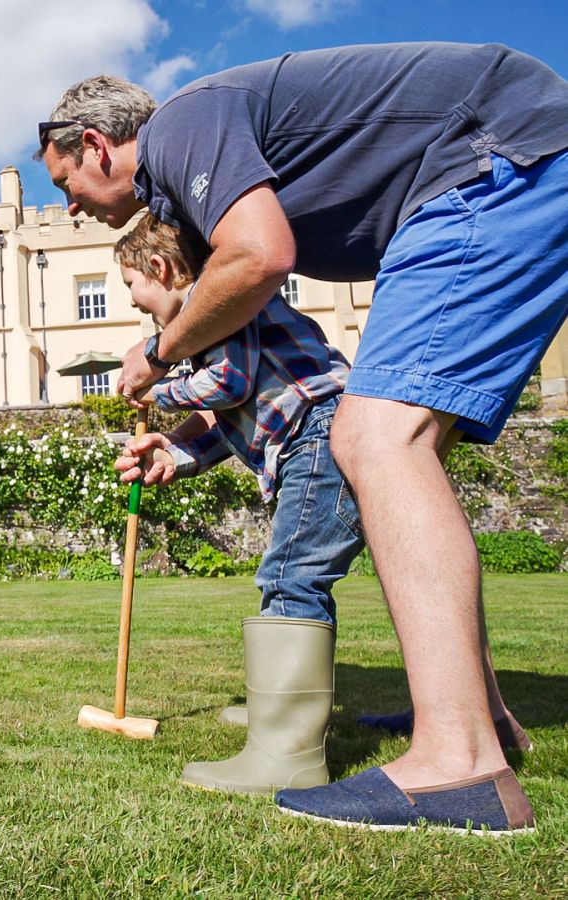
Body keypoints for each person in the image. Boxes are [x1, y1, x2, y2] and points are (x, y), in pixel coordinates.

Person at [37, 43, 568, 834]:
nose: (72, 206)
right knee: (399, 451)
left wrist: (158, 351)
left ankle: (456, 765)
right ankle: (476, 721)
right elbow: (242, 371)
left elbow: (261, 257)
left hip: (495, 162)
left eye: (66, 183)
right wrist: (179, 446)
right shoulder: (188, 210)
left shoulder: (183, 125)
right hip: (491, 168)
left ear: (97, 146)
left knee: (378, 439)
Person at [112, 214, 363, 795]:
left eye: (131, 286)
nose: (132, 303)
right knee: (288, 577)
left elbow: (228, 385)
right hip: (312, 434)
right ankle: (281, 714)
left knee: (290, 576)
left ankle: (290, 752)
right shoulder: (209, 321)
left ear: (161, 268)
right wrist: (175, 455)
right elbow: (231, 419)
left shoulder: (214, 299)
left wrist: (157, 384)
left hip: (320, 433)